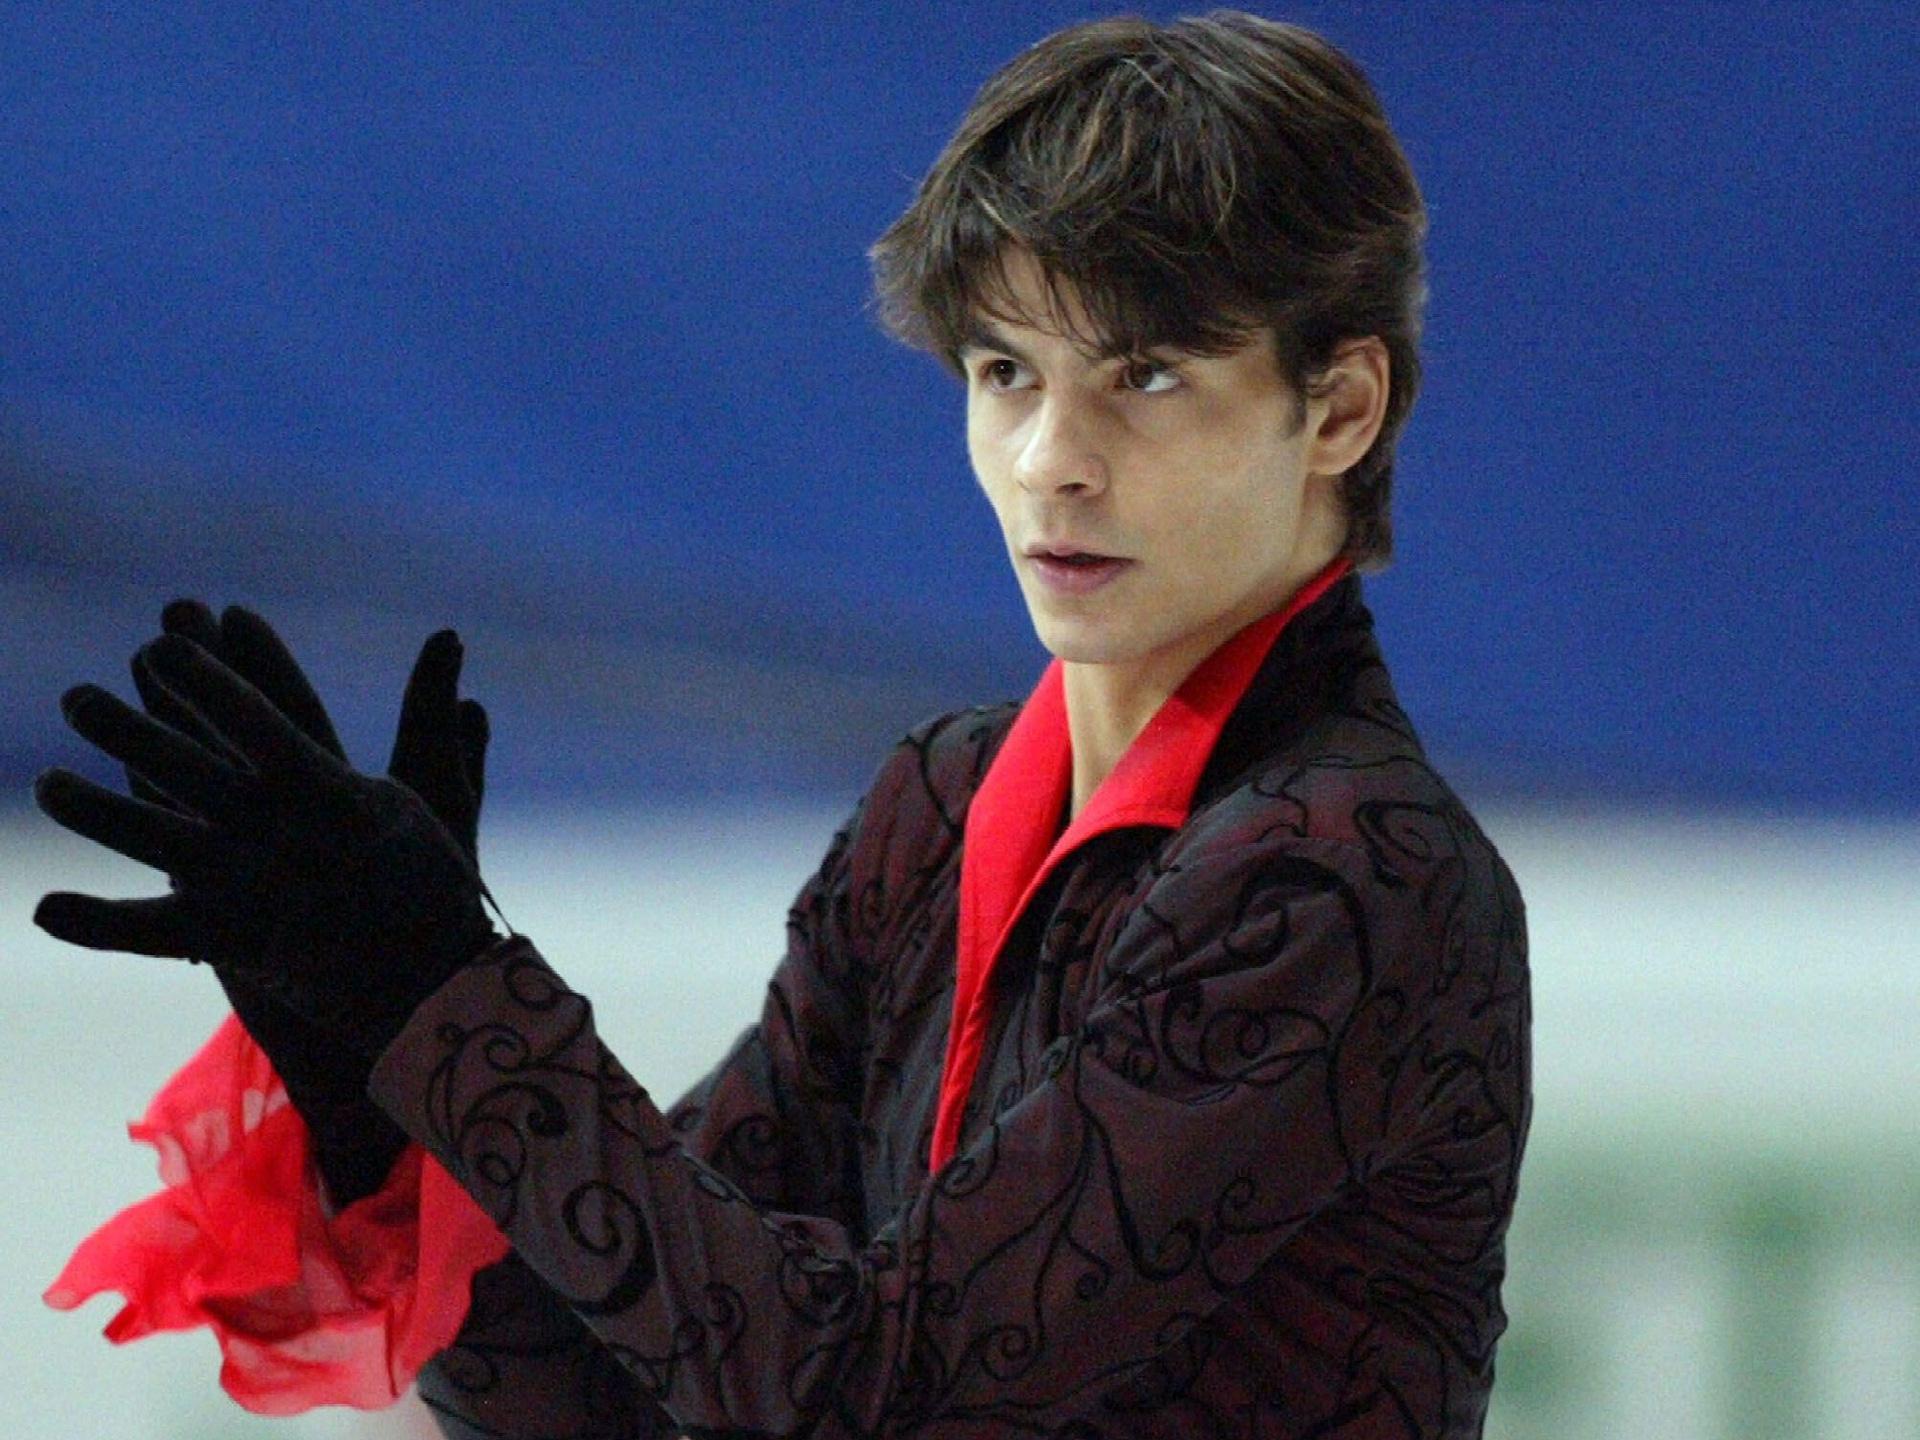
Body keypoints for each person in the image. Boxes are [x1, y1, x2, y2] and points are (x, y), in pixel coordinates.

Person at [34, 11, 1531, 1438]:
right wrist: (373, 1058)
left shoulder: (1346, 874)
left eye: (1145, 376)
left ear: (1341, 408)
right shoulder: (938, 813)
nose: (1049, 461)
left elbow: (877, 1399)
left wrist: (451, 996)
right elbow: (614, 1402)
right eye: (1006, 371)